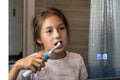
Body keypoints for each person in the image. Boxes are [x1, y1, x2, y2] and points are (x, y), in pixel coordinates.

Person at [9, 7, 88, 80]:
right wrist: (17, 66)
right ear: (39, 38)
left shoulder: (77, 60)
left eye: (61, 28)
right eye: (49, 31)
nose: (57, 35)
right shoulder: (30, 63)